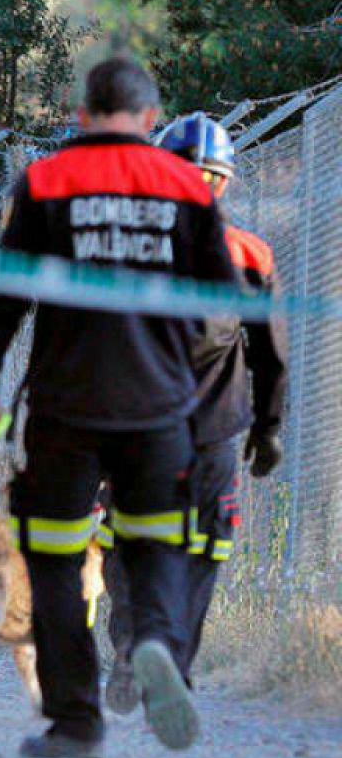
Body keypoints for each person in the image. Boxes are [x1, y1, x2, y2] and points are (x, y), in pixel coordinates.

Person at [0, 59, 238, 758]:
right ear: (150, 120)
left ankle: (77, 721)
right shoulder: (186, 186)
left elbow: (5, 302)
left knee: (54, 565)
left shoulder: (46, 182)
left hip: (65, 412)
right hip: (160, 412)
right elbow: (225, 308)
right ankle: (154, 644)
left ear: (81, 116)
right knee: (158, 547)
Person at [102, 113, 288, 714]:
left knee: (125, 542)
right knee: (207, 549)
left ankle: (132, 651)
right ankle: (175, 662)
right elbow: (271, 355)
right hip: (214, 435)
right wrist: (269, 428)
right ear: (225, 183)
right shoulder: (251, 254)